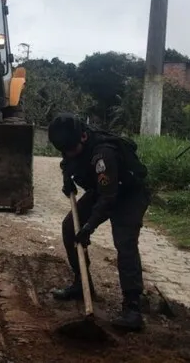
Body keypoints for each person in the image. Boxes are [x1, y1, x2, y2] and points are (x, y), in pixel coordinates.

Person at [48, 113, 151, 332]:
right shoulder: (71, 142)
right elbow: (67, 161)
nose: (67, 153)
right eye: (63, 150)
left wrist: (89, 227)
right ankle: (81, 283)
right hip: (103, 190)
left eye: (71, 149)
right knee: (69, 228)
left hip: (129, 194)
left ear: (83, 138)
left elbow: (108, 199)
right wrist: (68, 179)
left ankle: (133, 308)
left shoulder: (104, 155)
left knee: (125, 242)